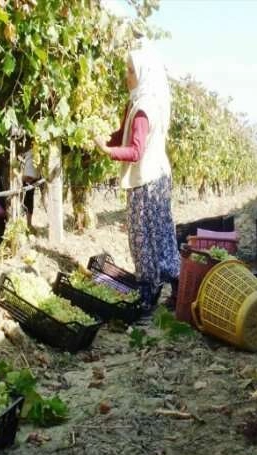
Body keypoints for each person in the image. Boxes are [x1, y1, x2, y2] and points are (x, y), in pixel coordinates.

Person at [94, 45, 180, 309]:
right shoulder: (146, 101)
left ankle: (147, 295)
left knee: (142, 239)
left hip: (146, 182)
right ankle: (178, 291)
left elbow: (135, 150)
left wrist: (106, 150)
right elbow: (125, 134)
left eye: (131, 70)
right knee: (162, 235)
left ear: (143, 74)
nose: (126, 75)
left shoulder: (143, 109)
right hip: (158, 177)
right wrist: (102, 136)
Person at [21, 148, 41, 229]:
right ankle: (27, 225)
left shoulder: (32, 149)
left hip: (29, 177)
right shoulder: (32, 148)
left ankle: (28, 225)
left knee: (28, 200)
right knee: (27, 200)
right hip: (31, 176)